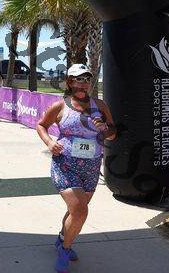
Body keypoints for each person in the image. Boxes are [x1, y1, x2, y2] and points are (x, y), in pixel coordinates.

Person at [36, 63, 116, 272]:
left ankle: (62, 238)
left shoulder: (100, 105)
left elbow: (113, 134)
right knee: (80, 210)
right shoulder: (60, 106)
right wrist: (49, 142)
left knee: (75, 211)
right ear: (70, 82)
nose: (83, 83)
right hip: (65, 165)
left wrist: (104, 128)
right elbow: (41, 125)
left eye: (87, 79)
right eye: (79, 79)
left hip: (91, 168)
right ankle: (65, 250)